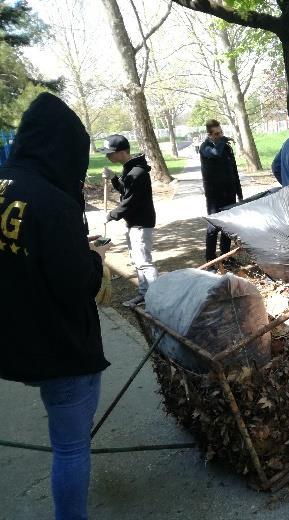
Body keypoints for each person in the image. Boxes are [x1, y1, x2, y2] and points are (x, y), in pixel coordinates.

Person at [0, 92, 111, 520]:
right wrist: (94, 262)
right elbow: (74, 284)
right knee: (69, 447)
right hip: (58, 346)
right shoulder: (52, 202)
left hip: (11, 334)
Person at [99, 134, 158, 307]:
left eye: (110, 153)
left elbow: (130, 201)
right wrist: (114, 179)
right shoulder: (130, 169)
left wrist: (111, 215)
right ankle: (144, 294)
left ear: (123, 152)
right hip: (134, 223)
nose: (107, 157)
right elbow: (126, 189)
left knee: (144, 262)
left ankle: (156, 298)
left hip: (141, 223)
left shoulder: (137, 172)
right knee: (137, 260)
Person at [199, 119, 243, 262]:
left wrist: (239, 193)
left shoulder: (226, 147)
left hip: (229, 192)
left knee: (227, 227)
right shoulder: (205, 147)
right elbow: (215, 153)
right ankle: (210, 260)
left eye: (221, 132)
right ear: (209, 135)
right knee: (213, 228)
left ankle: (226, 257)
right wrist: (224, 140)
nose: (220, 136)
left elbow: (234, 171)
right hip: (214, 195)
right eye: (217, 134)